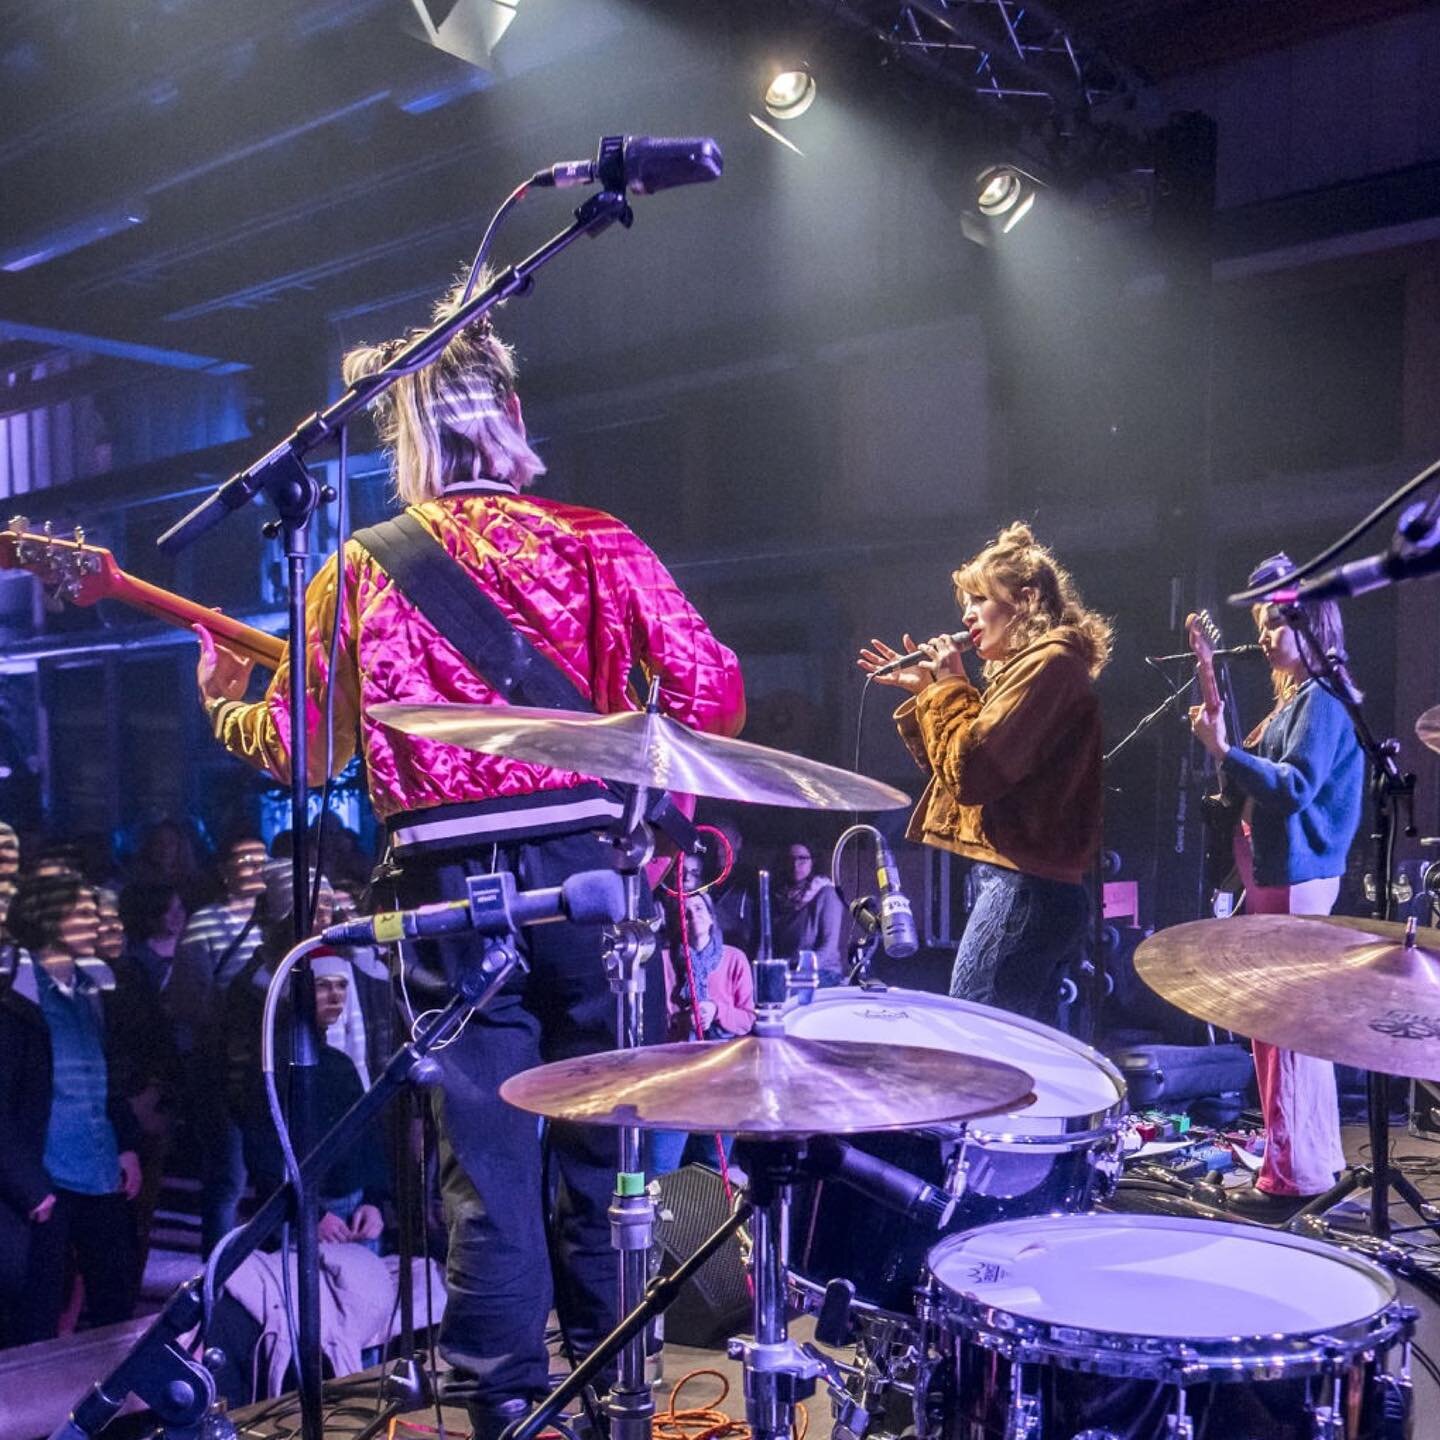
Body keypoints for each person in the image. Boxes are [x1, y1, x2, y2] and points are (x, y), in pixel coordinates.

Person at [190, 274, 745, 1437]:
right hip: (594, 887)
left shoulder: (362, 567)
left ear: (408, 442)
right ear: (512, 420)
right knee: (605, 1168)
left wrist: (226, 707)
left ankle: (497, 1415)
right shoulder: (598, 542)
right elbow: (711, 693)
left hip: (450, 897)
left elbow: (305, 749)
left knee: (486, 1178)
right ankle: (618, 1413)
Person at [858, 521, 1111, 1023]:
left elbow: (974, 772)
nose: (968, 616)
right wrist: (928, 694)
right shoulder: (1032, 670)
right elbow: (958, 778)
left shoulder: (1050, 665)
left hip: (1025, 884)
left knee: (978, 1038)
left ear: (1027, 598)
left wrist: (950, 687)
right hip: (1018, 880)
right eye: (964, 605)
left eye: (979, 599)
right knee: (1003, 1044)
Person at [1189, 556, 1363, 1218]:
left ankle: (1291, 1176)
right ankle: (1307, 1162)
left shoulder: (1320, 702)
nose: (1263, 636)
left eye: (1274, 624)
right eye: (1259, 624)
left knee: (1282, 1028)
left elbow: (1292, 789)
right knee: (1286, 1033)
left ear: (1311, 625)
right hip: (1277, 878)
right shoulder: (1296, 701)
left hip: (1295, 880)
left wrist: (1226, 752)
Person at [0, 873, 142, 1344]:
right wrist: (28, 1187)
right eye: (82, 911)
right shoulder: (14, 998)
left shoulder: (90, 986)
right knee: (36, 1316)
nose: (96, 920)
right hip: (44, 1179)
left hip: (98, 1168)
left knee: (114, 1303)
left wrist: (126, 1146)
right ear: (49, 919)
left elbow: (106, 1074)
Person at [167, 834, 268, 1255]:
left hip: (270, 1059)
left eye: (261, 860)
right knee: (230, 1173)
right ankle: (218, 1272)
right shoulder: (205, 922)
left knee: (272, 1168)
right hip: (222, 1063)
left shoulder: (279, 921)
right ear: (225, 872)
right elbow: (191, 1001)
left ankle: (269, 1265)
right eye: (244, 861)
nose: (255, 868)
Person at [648, 890, 755, 1176]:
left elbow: (747, 1019)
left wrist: (715, 1009)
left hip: (723, 1074)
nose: (692, 916)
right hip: (675, 1076)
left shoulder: (734, 959)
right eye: (685, 912)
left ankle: (702, 1218)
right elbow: (656, 1017)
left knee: (710, 1167)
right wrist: (685, 1020)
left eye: (698, 909)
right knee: (660, 1167)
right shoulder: (665, 960)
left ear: (711, 918)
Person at [770, 842, 848, 985]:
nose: (795, 864)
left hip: (822, 973)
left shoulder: (827, 894)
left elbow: (828, 948)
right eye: (790, 859)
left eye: (802, 859)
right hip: (787, 972)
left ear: (813, 861)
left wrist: (797, 970)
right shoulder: (778, 897)